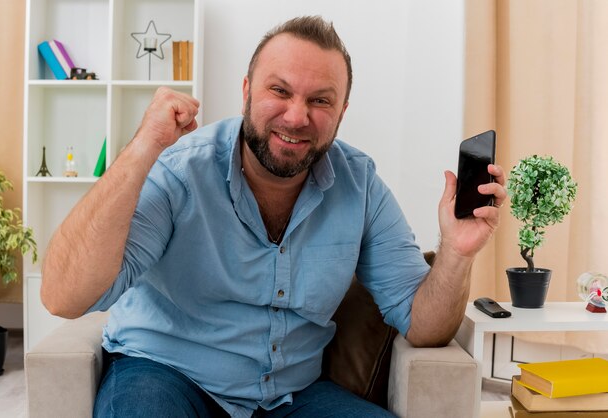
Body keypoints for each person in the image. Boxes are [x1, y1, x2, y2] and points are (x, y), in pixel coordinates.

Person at [41, 16, 507, 418]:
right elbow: (64, 297)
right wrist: (144, 144)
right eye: (279, 90)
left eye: (321, 100)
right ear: (246, 91)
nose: (296, 116)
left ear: (342, 111)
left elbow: (423, 325)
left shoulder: (360, 184)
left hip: (288, 396)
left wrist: (456, 252)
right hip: (165, 374)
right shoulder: (181, 169)